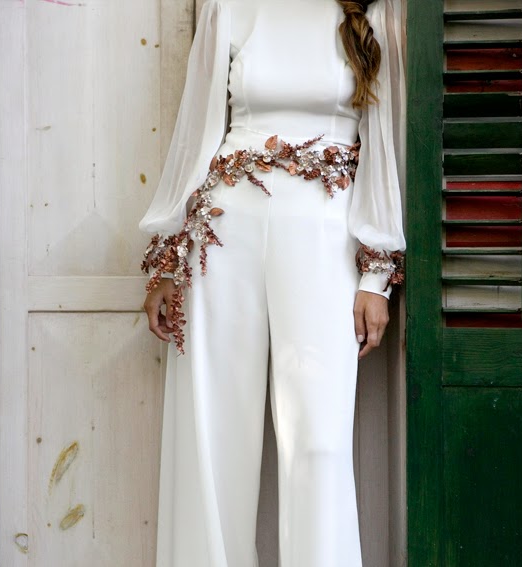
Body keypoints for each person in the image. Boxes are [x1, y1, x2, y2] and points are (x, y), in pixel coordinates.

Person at [138, 0, 406, 564]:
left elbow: (384, 148)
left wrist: (376, 274)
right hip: (223, 232)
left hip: (326, 238)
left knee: (318, 438)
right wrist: (169, 255)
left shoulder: (374, 15)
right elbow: (197, 130)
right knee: (214, 430)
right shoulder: (229, 7)